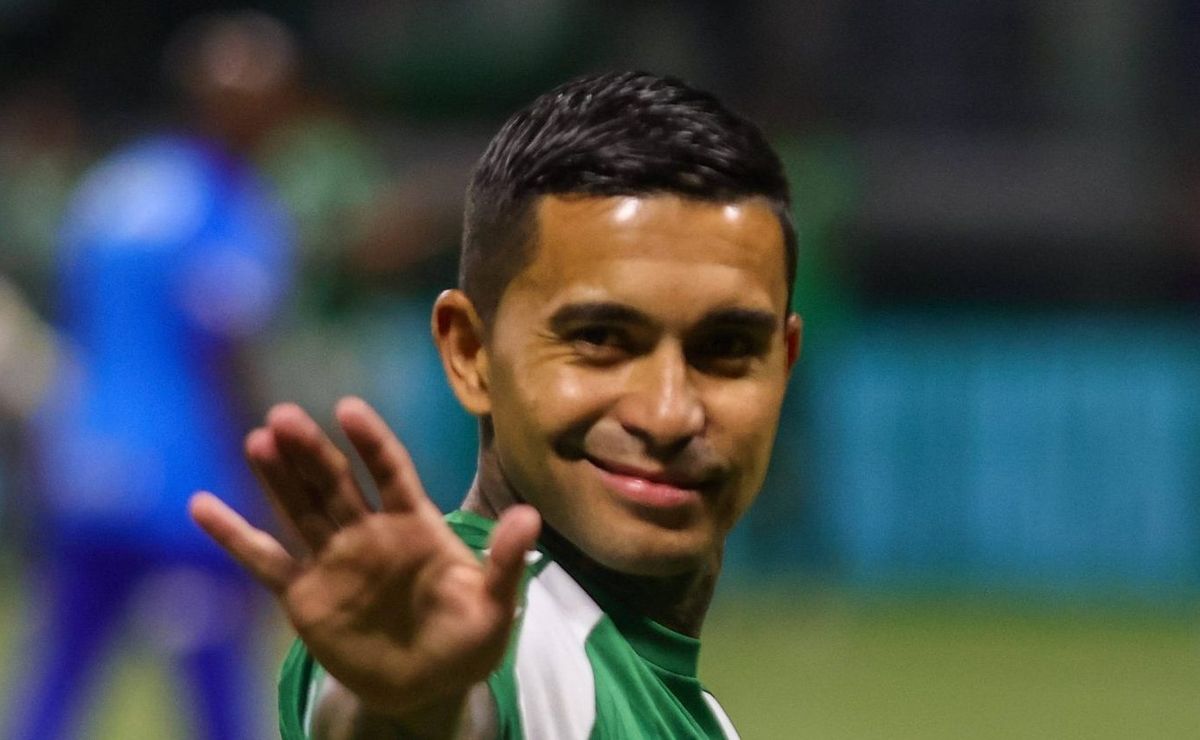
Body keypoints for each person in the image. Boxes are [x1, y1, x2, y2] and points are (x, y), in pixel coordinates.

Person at [191, 70, 801, 739]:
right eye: (599, 340)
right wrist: (409, 703)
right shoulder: (488, 630)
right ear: (470, 353)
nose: (668, 413)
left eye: (727, 347)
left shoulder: (670, 700)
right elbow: (434, 702)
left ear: (785, 361)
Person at [5, 13, 295, 740]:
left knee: (60, 676)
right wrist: (273, 480)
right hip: (183, 485)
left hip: (87, 467)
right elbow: (225, 353)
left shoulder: (113, 186)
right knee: (218, 695)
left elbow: (80, 324)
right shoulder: (230, 203)